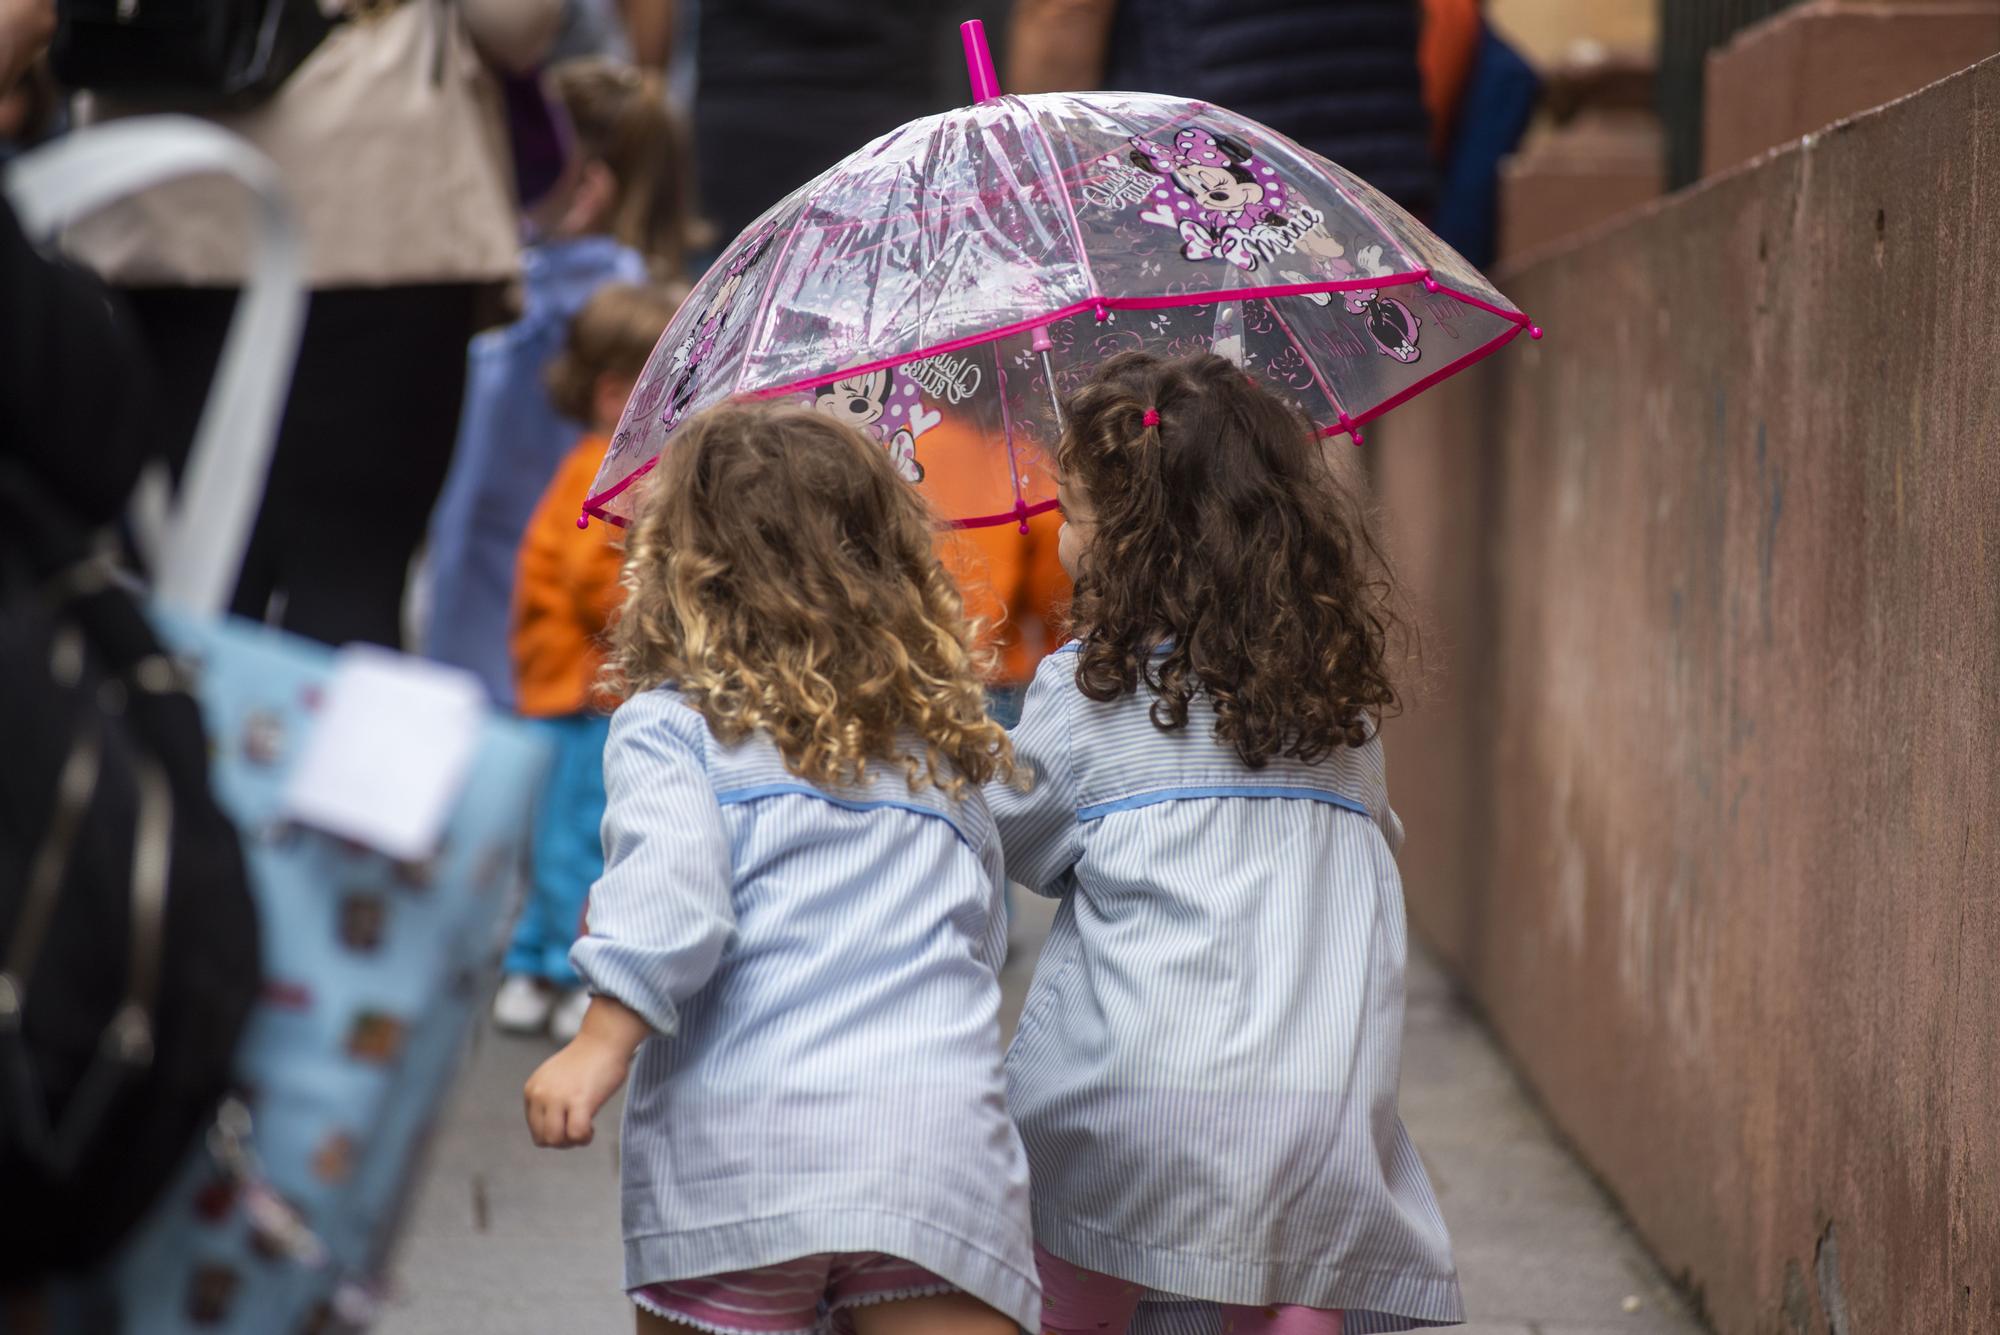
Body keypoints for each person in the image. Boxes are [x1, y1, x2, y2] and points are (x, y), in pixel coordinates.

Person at [521, 403, 1041, 1335]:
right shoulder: (938, 734)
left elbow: (671, 902)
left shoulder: (674, 727)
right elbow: (980, 923)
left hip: (745, 1149)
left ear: (681, 569)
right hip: (933, 1142)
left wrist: (598, 1044)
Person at [988, 351, 1463, 1333]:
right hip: (1318, 1112)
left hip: (1128, 1109)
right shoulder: (1338, 710)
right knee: (1298, 1242)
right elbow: (1376, 842)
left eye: (1072, 511)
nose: (1061, 534)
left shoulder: (1089, 698)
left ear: (1128, 538)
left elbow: (1013, 839)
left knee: (1060, 1231)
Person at [64, 0, 562, 650]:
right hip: (369, 190)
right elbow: (515, 22)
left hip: (155, 190)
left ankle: (175, 740)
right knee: (346, 579)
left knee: (182, 576)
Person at [425, 56, 701, 700]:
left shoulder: (566, 300)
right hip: (584, 657)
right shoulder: (664, 307)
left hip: (529, 643)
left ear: (581, 187)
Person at [491, 282, 684, 1041]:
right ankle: (567, 969)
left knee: (558, 833)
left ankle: (535, 960)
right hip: (583, 691)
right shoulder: (610, 475)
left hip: (568, 687)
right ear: (616, 394)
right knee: (581, 834)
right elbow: (591, 585)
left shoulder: (595, 465)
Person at [1008, 0, 1437, 216]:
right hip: (1376, 168)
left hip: (1200, 168)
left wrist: (1037, 173)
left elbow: (1062, 14)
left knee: (1202, 381)